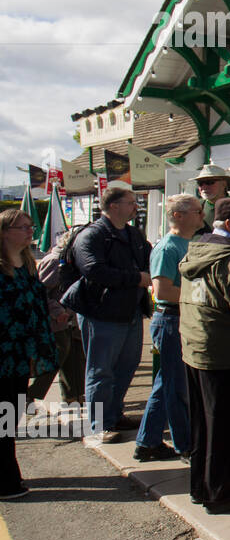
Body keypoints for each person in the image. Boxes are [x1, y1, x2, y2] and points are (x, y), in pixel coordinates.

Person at [180, 197, 230, 513]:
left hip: (195, 346)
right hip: (221, 353)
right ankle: (220, 491)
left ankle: (201, 487)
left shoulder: (199, 248)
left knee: (202, 424)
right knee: (225, 427)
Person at [61, 185, 152, 441]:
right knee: (100, 371)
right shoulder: (91, 235)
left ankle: (113, 414)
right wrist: (136, 278)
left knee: (127, 366)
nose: (136, 207)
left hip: (130, 311)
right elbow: (94, 270)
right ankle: (99, 425)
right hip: (100, 313)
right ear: (113, 206)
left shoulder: (134, 234)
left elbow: (149, 259)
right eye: (131, 202)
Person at [135, 194, 204, 462]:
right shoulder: (167, 248)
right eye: (196, 211)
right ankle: (185, 445)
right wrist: (201, 295)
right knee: (177, 387)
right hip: (171, 320)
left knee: (167, 383)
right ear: (178, 215)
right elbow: (162, 290)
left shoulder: (189, 243)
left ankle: (148, 442)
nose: (202, 215)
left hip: (180, 318)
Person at [0, 210, 57, 500]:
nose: (28, 232)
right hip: (4, 352)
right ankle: (6, 480)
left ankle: (8, 474)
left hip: (22, 353)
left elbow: (38, 304)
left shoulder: (29, 264)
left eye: (30, 227)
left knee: (10, 416)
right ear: (5, 232)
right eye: (21, 227)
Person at [31, 229, 86, 408]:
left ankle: (74, 398)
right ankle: (29, 396)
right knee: (56, 359)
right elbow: (40, 292)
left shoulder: (74, 260)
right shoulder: (54, 261)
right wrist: (57, 311)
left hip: (71, 321)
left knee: (75, 360)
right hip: (56, 322)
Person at [194, 164, 230, 232]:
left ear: (224, 184)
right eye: (200, 183)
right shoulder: (195, 207)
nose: (204, 187)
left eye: (210, 182)